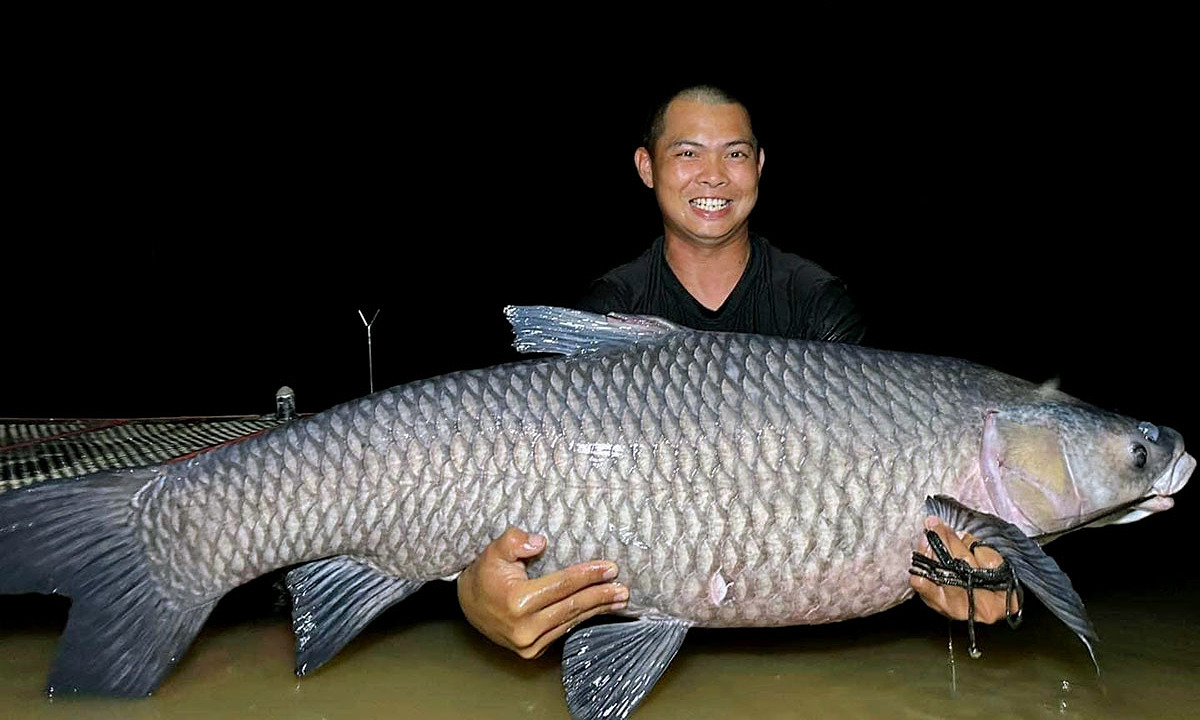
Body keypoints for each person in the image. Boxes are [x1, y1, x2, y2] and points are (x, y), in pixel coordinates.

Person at [456, 85, 1016, 659]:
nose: (714, 175)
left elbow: (872, 480)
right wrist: (475, 593)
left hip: (807, 653)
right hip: (637, 593)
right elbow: (539, 478)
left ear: (759, 166)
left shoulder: (813, 302)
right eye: (688, 153)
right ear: (647, 168)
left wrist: (992, 573)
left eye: (736, 153)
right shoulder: (613, 301)